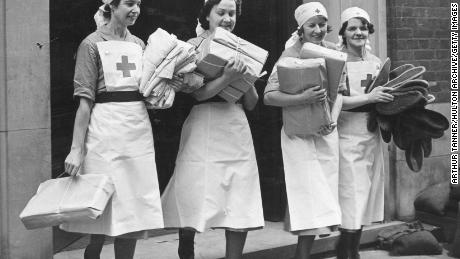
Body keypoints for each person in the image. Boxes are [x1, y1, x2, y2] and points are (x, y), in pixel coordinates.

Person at [160, 0, 264, 259]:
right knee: (194, 189)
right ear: (207, 15)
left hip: (235, 125)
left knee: (239, 193)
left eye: (232, 13)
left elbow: (251, 103)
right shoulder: (191, 47)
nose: (228, 18)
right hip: (204, 124)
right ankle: (187, 245)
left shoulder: (243, 48)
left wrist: (246, 76)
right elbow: (198, 95)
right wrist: (227, 78)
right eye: (221, 12)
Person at [62, 0, 164, 258]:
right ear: (112, 5)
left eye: (139, 4)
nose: (136, 9)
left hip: (137, 130)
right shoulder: (91, 44)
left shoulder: (140, 45)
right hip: (104, 130)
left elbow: (148, 90)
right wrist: (76, 149)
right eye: (130, 3)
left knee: (132, 210)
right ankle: (92, 252)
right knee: (102, 206)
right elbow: (84, 103)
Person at [263, 2, 344, 259]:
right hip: (297, 134)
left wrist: (332, 118)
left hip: (325, 131)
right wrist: (303, 98)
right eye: (312, 25)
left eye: (322, 24)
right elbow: (269, 97)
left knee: (324, 194)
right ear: (301, 29)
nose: (318, 29)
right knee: (307, 195)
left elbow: (340, 92)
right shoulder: (289, 56)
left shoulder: (334, 52)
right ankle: (302, 255)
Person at [335, 7, 393, 259]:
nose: (358, 32)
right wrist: (369, 97)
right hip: (348, 134)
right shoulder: (336, 61)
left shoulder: (376, 62)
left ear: (369, 30)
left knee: (365, 195)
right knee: (351, 195)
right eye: (352, 28)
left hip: (371, 135)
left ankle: (351, 250)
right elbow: (334, 100)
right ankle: (346, 253)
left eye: (362, 27)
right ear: (344, 33)